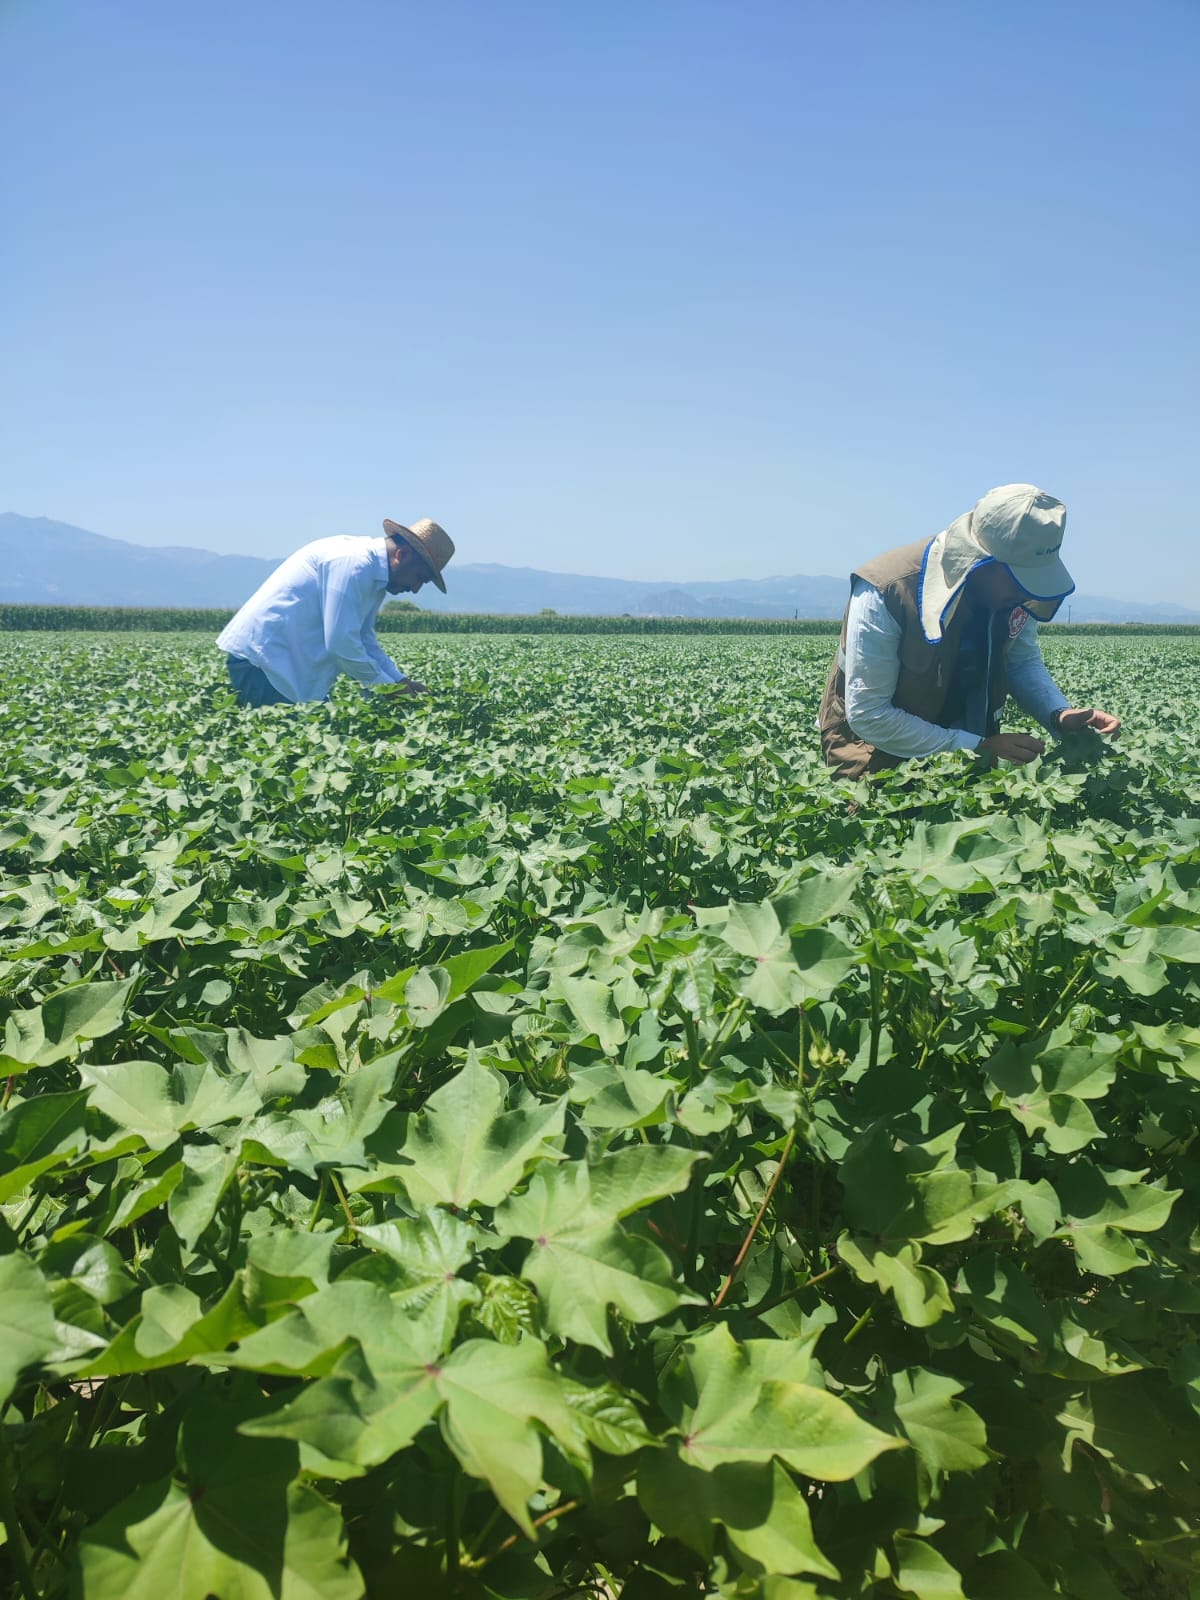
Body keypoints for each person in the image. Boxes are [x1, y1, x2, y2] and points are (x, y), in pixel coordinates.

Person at [819, 484, 1120, 779]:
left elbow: (1021, 661)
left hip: (970, 751)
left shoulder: (1010, 594)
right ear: (981, 560)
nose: (1026, 592)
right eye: (1019, 578)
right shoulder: (887, 590)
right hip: (873, 755)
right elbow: (869, 715)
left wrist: (1059, 714)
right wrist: (977, 747)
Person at [217, 518, 454, 707]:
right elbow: (341, 643)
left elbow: (363, 639)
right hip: (265, 664)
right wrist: (390, 690)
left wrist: (399, 680)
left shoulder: (375, 578)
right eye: (419, 578)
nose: (415, 589)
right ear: (401, 555)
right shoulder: (353, 564)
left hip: (286, 667)